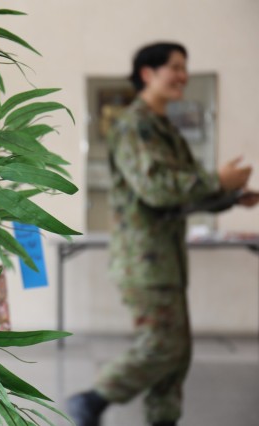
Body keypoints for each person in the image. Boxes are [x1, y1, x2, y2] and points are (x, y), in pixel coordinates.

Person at [66, 42, 259, 426]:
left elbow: (179, 198)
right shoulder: (133, 124)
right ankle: (94, 399)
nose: (183, 76)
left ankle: (162, 420)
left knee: (177, 353)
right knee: (163, 346)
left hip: (163, 258)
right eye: (174, 67)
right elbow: (156, 188)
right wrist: (215, 179)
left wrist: (229, 197)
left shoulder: (162, 127)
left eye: (185, 68)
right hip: (144, 258)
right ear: (147, 74)